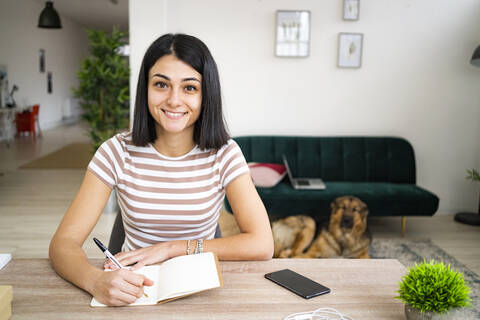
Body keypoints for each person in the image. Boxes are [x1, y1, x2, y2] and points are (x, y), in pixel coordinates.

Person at [49, 33, 273, 306]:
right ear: (146, 88)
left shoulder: (224, 153)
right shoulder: (116, 151)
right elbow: (63, 243)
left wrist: (171, 249)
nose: (174, 100)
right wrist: (95, 281)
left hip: (200, 291)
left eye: (189, 87)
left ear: (206, 94)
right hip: (132, 289)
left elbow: (262, 243)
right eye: (161, 85)